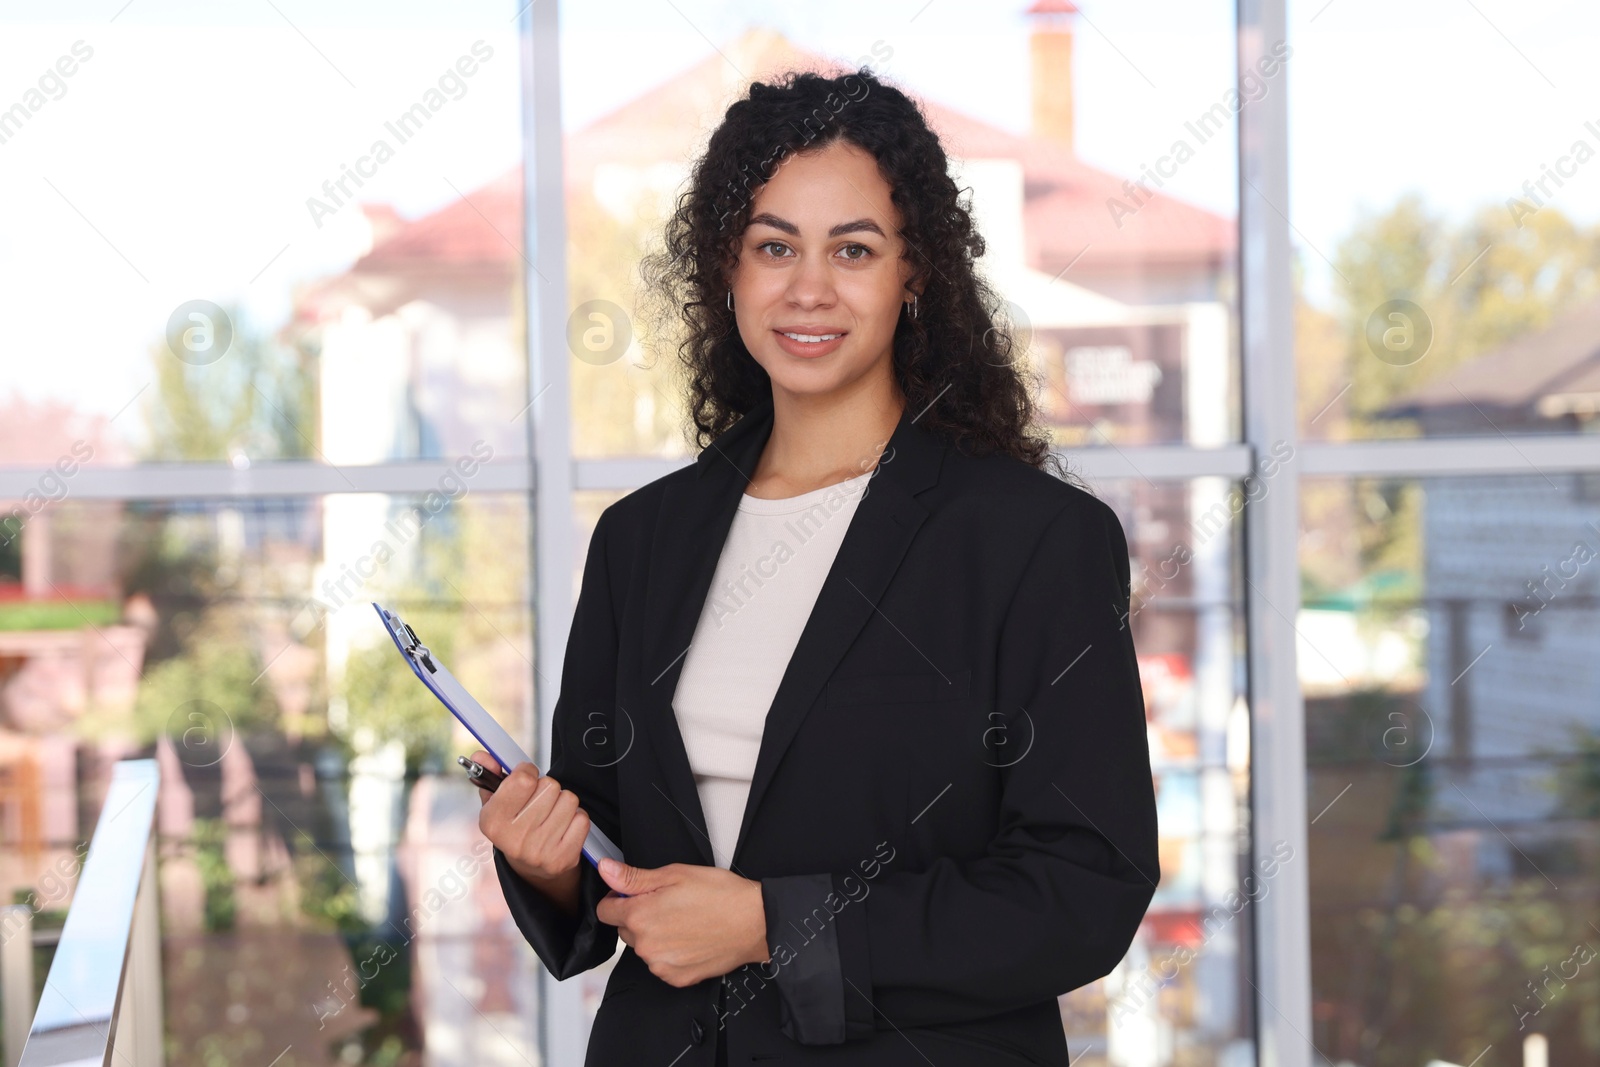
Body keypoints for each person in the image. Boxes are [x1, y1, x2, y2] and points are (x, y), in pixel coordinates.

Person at [473, 66, 1158, 1066]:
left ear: (914, 271)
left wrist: (772, 924)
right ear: (729, 268)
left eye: (854, 249)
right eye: (772, 245)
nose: (808, 287)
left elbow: (1083, 890)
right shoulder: (641, 540)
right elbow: (608, 842)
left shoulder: (1032, 539)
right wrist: (544, 860)